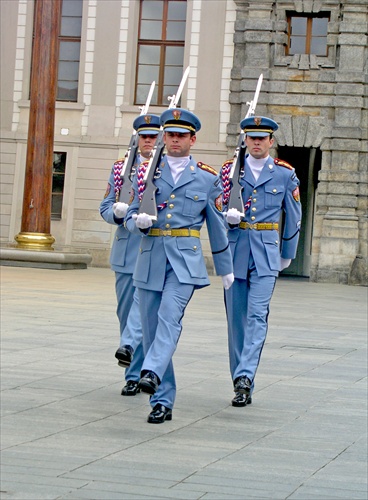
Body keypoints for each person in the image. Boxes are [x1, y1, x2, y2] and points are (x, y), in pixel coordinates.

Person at [125, 108, 234, 423]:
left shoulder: (207, 177)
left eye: (181, 135)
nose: (174, 139)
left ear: (192, 139)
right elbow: (130, 217)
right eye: (170, 134)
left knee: (169, 319)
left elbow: (216, 226)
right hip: (150, 260)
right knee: (151, 331)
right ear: (163, 137)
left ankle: (152, 372)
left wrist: (225, 268)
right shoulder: (146, 173)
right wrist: (138, 221)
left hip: (184, 262)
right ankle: (162, 400)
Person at [221, 116, 302, 407]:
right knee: (236, 322)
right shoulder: (230, 171)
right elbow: (215, 206)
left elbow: (293, 215)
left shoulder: (284, 174)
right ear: (245, 140)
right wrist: (226, 217)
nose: (256, 142)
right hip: (235, 252)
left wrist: (287, 253)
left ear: (271, 141)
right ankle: (239, 382)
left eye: (262, 138)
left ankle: (245, 376)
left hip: (266, 253)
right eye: (251, 138)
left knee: (257, 315)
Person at [100, 114, 160, 396]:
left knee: (146, 316)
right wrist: (116, 212)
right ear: (136, 138)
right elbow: (105, 205)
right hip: (126, 252)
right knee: (127, 315)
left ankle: (147, 371)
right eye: (144, 136)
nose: (148, 141)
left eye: (153, 136)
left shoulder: (166, 169)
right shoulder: (121, 168)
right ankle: (131, 374)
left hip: (153, 250)